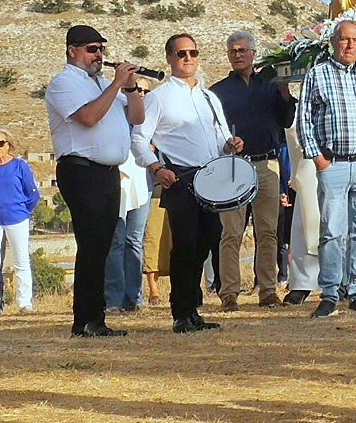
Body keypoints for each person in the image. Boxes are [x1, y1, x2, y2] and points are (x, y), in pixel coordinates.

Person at [131, 33, 242, 333]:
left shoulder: (208, 97)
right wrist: (156, 167)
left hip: (212, 177)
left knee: (207, 242)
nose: (188, 58)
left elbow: (218, 137)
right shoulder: (159, 97)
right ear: (169, 58)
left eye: (193, 52)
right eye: (182, 54)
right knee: (184, 245)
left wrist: (230, 144)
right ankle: (181, 312)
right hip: (181, 177)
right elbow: (140, 140)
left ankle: (193, 308)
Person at [45, 24, 144, 337]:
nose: (98, 55)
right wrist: (115, 85)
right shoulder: (63, 83)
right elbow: (88, 117)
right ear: (72, 51)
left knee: (102, 245)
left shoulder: (103, 83)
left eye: (101, 48)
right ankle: (85, 320)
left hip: (108, 173)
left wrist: (130, 87)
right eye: (91, 49)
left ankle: (94, 318)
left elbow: (137, 117)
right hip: (81, 171)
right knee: (91, 244)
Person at [292, 19, 356, 314]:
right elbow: (303, 119)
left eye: (355, 40)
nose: (350, 45)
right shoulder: (318, 74)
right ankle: (329, 292)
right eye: (344, 39)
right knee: (331, 231)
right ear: (333, 42)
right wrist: (317, 157)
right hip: (334, 163)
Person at [210, 29, 297, 310]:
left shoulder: (271, 85)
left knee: (268, 230)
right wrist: (225, 144)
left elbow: (286, 121)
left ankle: (268, 291)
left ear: (253, 53)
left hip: (267, 163)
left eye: (242, 50)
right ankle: (229, 294)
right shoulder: (218, 92)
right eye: (233, 51)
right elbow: (211, 131)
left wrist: (285, 91)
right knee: (231, 233)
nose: (237, 55)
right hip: (233, 166)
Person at [0, 128, 39, 313]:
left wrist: (22, 211)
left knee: (21, 261)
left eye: (0, 143)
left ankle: (25, 303)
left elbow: (32, 193)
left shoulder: (19, 165)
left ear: (8, 145)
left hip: (16, 218)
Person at [104, 146, 149, 312]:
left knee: (134, 241)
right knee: (116, 242)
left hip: (141, 178)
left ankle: (133, 298)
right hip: (117, 177)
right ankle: (113, 300)